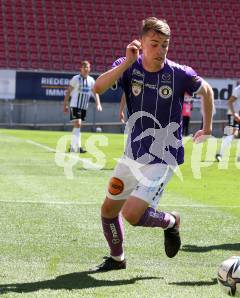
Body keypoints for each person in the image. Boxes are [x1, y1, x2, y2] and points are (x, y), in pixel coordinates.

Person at [91, 17, 214, 272]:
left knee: (132, 215)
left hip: (162, 158)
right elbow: (99, 87)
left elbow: (208, 92)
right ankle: (117, 259)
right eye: (155, 44)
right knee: (108, 211)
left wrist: (208, 126)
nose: (160, 51)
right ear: (142, 43)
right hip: (131, 155)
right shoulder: (129, 66)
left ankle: (171, 222)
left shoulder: (180, 74)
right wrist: (126, 61)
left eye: (165, 45)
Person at [63, 61, 102, 153]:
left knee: (77, 126)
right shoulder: (75, 79)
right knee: (78, 124)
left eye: (87, 67)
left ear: (90, 68)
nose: (86, 69)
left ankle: (73, 147)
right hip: (75, 105)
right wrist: (65, 104)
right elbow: (68, 92)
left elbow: (95, 93)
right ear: (81, 68)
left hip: (84, 107)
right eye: (84, 67)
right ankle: (78, 148)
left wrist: (98, 103)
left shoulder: (91, 80)